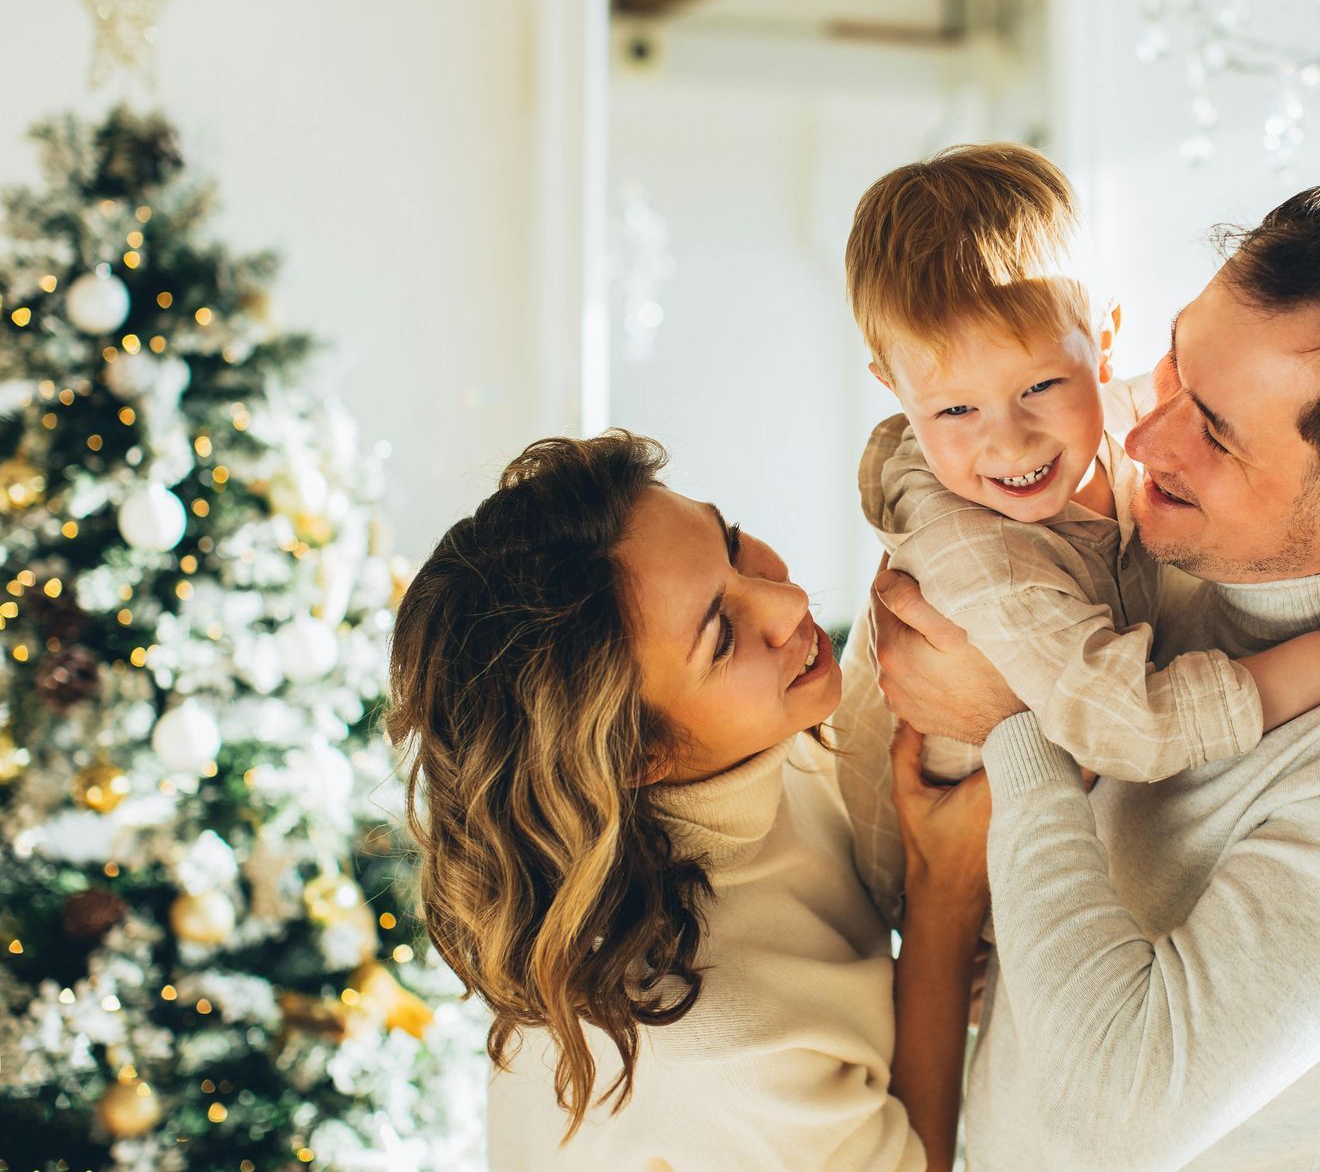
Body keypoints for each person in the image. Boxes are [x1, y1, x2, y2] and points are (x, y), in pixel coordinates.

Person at [871, 179, 1320, 1170]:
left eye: (1218, 431)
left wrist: (1008, 725)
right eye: (1174, 364)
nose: (1144, 439)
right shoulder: (1166, 531)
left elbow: (1110, 1108)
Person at [833, 144, 1320, 926]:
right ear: (893, 387)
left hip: (1048, 830)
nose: (1009, 444)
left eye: (1040, 386)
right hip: (932, 881)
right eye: (953, 412)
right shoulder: (973, 552)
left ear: (1103, 340)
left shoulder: (1116, 411)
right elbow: (1127, 726)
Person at [385, 432, 989, 1170]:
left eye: (732, 545)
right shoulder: (714, 1043)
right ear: (639, 755)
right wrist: (944, 899)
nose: (789, 600)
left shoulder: (743, 746)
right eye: (722, 637)